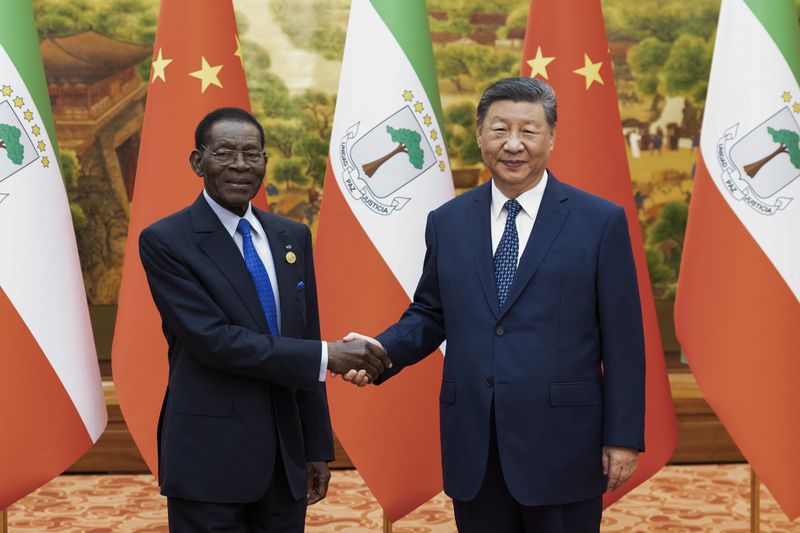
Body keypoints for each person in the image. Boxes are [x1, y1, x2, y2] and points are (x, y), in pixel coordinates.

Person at [345, 78, 645, 532]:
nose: (513, 145)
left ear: (552, 137)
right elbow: (430, 313)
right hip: (475, 445)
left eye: (529, 131)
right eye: (500, 129)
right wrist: (378, 351)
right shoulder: (448, 222)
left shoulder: (599, 221)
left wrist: (622, 438)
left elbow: (624, 341)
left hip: (563, 444)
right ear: (480, 134)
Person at [139, 107, 390, 532]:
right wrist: (329, 355)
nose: (240, 165)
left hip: (284, 459)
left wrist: (315, 448)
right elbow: (214, 341)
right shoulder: (167, 241)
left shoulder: (291, 236)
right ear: (198, 162)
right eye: (225, 153)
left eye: (252, 154)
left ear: (265, 163)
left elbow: (304, 335)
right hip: (209, 459)